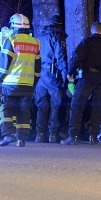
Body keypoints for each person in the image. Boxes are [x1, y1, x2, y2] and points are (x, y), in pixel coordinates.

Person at [61, 22, 101, 145]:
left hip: (86, 76)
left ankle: (73, 136)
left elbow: (76, 57)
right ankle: (93, 136)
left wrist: (70, 72)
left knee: (77, 105)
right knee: (97, 107)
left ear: (92, 30)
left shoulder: (86, 43)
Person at [0, 13, 41, 147]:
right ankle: (21, 139)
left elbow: (3, 64)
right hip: (28, 85)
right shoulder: (35, 42)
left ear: (13, 26)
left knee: (4, 108)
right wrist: (34, 82)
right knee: (23, 111)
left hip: (10, 84)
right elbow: (37, 67)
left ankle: (8, 135)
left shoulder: (12, 40)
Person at [34, 14, 69, 143]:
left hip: (41, 73)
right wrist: (66, 76)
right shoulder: (57, 36)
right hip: (53, 74)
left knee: (42, 104)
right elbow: (61, 57)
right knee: (56, 103)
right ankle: (53, 134)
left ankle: (39, 134)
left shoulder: (39, 37)